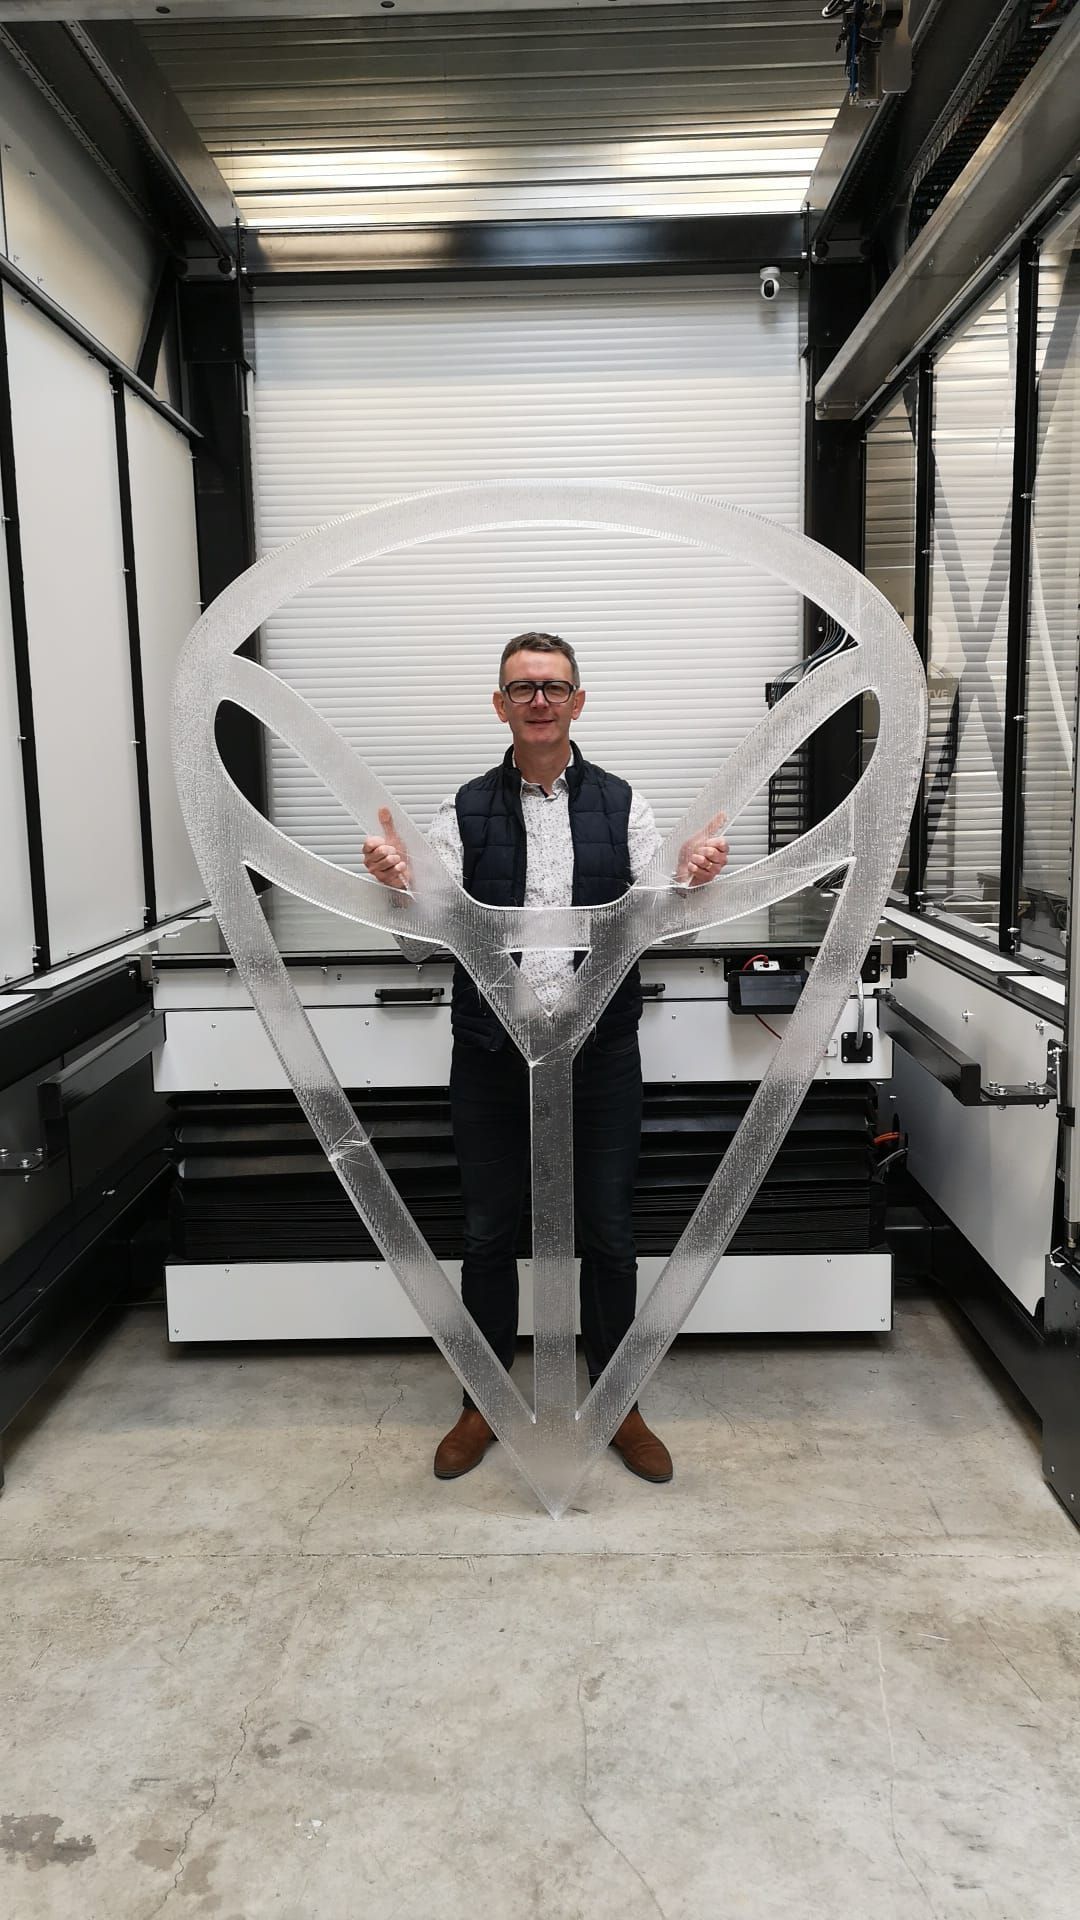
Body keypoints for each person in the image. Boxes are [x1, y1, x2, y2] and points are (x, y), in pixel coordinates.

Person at [362, 632, 728, 1484]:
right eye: (522, 688)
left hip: (599, 1052)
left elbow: (667, 926)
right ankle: (482, 1403)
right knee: (488, 1233)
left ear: (577, 702)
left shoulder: (625, 807)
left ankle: (618, 1402)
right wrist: (395, 886)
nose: (538, 701)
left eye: (554, 687)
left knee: (608, 1232)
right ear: (500, 705)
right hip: (493, 1053)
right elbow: (420, 943)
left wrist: (695, 881)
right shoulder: (462, 810)